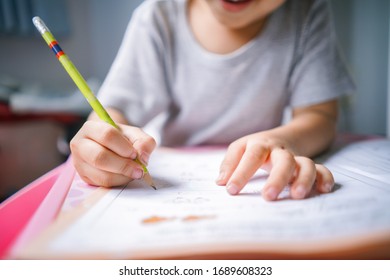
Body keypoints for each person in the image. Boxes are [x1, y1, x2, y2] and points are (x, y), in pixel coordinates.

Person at [70, 0, 353, 201]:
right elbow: (113, 112)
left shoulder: (306, 11)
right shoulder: (158, 16)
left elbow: (320, 116)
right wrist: (103, 142)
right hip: (174, 172)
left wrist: (282, 140)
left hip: (261, 175)